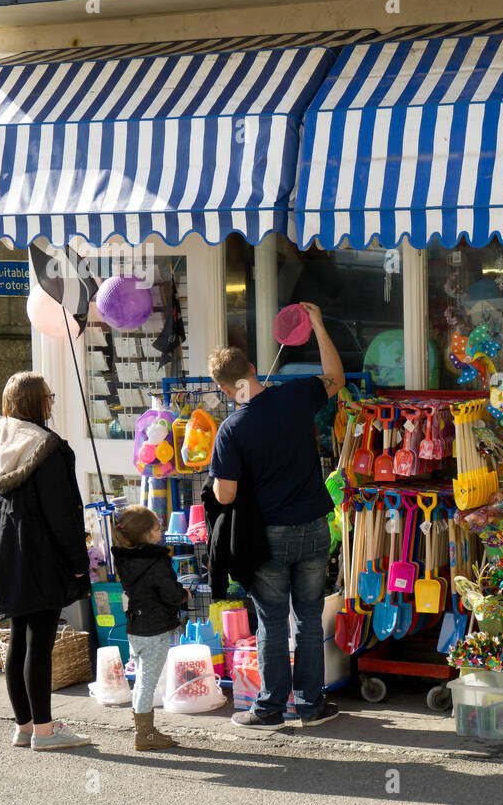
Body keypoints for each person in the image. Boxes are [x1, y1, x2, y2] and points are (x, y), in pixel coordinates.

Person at [209, 302, 345, 732]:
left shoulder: (231, 430)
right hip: (313, 526)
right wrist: (319, 324)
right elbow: (336, 378)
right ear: (252, 367)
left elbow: (224, 493)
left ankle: (268, 709)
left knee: (270, 619)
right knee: (307, 617)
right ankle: (311, 706)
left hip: (268, 535)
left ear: (225, 388)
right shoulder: (295, 395)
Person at [0, 372, 92, 751]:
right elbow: (62, 514)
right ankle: (45, 730)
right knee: (39, 641)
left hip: (1, 550)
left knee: (19, 642)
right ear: (36, 403)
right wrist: (78, 562)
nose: (52, 402)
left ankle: (24, 726)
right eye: (49, 396)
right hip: (38, 553)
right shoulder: (46, 448)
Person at [111, 505, 189, 751]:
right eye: (157, 528)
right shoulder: (157, 562)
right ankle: (145, 734)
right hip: (155, 626)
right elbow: (169, 592)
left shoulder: (124, 559)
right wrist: (183, 593)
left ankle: (142, 729)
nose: (161, 531)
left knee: (141, 678)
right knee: (147, 680)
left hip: (135, 624)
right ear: (147, 534)